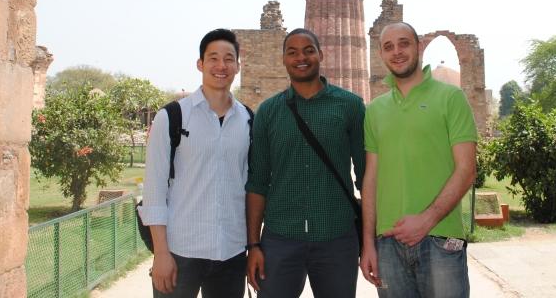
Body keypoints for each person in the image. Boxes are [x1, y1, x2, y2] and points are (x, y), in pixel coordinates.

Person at [245, 28, 365, 298]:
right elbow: (258, 181)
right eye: (293, 52)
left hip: (336, 234)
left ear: (321, 54)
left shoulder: (349, 106)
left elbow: (366, 176)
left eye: (309, 50)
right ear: (284, 59)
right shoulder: (269, 111)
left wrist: (368, 241)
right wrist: (253, 244)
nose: (301, 57)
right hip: (281, 236)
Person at [360, 22, 478, 298]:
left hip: (440, 238)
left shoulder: (451, 98)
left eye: (404, 43)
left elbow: (466, 169)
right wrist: (368, 242)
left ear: (418, 47)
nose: (397, 52)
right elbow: (371, 178)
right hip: (388, 243)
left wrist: (426, 220)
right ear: (381, 54)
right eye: (388, 47)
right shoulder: (376, 110)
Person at [139, 29, 252, 298]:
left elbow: (248, 187)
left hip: (231, 252)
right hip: (181, 252)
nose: (221, 66)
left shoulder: (247, 120)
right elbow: (154, 190)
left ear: (238, 65)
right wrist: (161, 253)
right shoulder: (173, 117)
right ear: (200, 64)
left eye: (228, 58)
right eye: (213, 58)